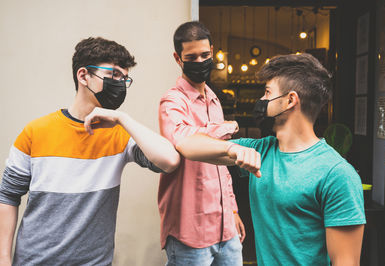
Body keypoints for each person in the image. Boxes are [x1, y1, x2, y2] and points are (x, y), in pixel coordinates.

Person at [0, 37, 180, 266]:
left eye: (125, 78)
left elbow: (170, 160)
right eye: (114, 74)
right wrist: (3, 259)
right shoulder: (35, 131)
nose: (121, 83)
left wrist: (122, 118)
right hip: (34, 261)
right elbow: (7, 196)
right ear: (83, 75)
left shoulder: (120, 134)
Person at [175, 53, 366, 266]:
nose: (262, 101)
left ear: (290, 100)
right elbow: (185, 144)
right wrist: (232, 148)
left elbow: (346, 262)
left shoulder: (337, 175)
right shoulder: (261, 150)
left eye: (267, 93)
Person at [158, 21, 245, 266]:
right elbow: (184, 138)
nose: (200, 62)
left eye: (205, 55)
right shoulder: (172, 101)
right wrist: (228, 127)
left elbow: (221, 167)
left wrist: (234, 211)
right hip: (190, 232)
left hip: (226, 228)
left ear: (213, 51)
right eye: (191, 57)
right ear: (178, 58)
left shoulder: (214, 99)